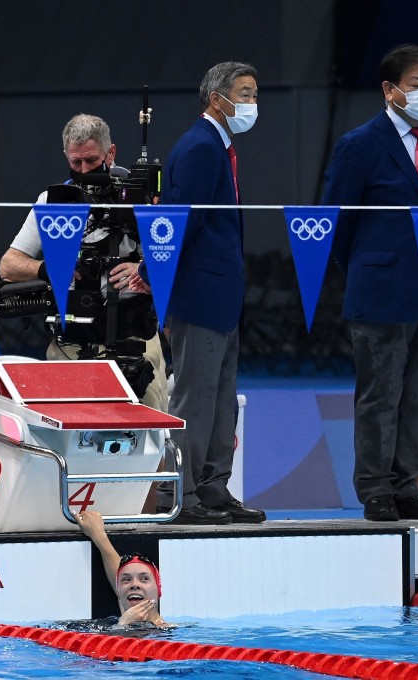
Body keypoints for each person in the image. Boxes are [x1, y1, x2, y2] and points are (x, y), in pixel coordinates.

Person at [133, 62, 265, 525]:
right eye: (245, 94)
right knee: (194, 398)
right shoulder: (199, 148)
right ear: (216, 98)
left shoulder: (220, 147)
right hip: (199, 297)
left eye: (254, 94)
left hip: (222, 297)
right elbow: (175, 224)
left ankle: (214, 489)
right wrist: (154, 273)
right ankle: (183, 496)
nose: (252, 103)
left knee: (222, 399)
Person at [322, 44, 418, 522]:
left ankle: (406, 481)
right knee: (380, 395)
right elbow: (335, 224)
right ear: (390, 91)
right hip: (380, 291)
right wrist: (370, 271)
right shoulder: (360, 144)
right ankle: (375, 487)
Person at [0, 114, 167, 411]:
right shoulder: (51, 202)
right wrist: (45, 270)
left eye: (91, 161)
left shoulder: (144, 200)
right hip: (70, 346)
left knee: (151, 444)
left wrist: (144, 268)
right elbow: (8, 265)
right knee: (70, 442)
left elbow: (174, 260)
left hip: (136, 342)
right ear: (66, 156)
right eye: (76, 163)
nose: (84, 170)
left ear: (110, 153)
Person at [75, 511, 169, 627]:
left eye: (144, 579)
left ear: (158, 589)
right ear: (118, 593)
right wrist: (98, 534)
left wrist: (123, 626)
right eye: (126, 580)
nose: (135, 585)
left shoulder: (172, 635)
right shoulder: (112, 624)